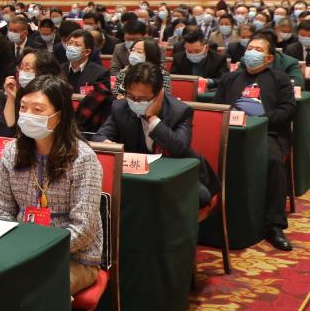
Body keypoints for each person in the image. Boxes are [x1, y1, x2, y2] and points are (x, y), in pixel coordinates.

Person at [0, 74, 103, 294]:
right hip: (20, 252)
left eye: (38, 110)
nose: (27, 115)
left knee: (31, 288)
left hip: (73, 258)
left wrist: (37, 251)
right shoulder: (12, 151)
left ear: (60, 116)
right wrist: (17, 249)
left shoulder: (82, 158)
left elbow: (84, 229)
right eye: (23, 108)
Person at [97, 63, 219, 207]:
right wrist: (107, 143)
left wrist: (152, 119)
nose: (135, 103)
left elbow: (180, 148)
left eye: (142, 99)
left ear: (159, 94)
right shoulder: (120, 107)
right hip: (138, 175)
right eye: (131, 97)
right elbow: (99, 136)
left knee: (201, 196)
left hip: (176, 173)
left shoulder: (180, 111)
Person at [216, 36, 295, 251]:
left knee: (273, 161)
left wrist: (261, 120)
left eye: (258, 50)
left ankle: (274, 225)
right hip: (231, 133)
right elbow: (217, 107)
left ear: (269, 58)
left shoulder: (280, 79)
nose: (252, 52)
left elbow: (288, 110)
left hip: (266, 134)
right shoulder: (229, 78)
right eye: (250, 48)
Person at [0, 48, 64, 135]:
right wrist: (11, 97)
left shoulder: (56, 95)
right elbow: (4, 132)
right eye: (21, 68)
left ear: (44, 71)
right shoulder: (21, 94)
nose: (22, 72)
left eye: (27, 68)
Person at [64, 29, 111, 132]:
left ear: (87, 52)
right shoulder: (59, 69)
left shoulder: (101, 73)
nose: (71, 47)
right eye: (70, 43)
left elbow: (98, 107)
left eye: (77, 45)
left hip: (86, 126)